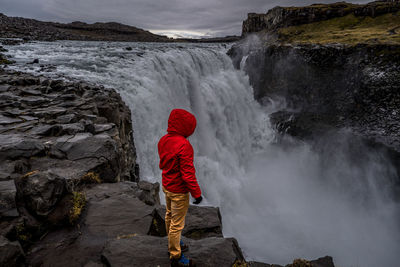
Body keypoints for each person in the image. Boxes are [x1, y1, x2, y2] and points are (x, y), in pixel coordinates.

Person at [158, 109, 203, 267]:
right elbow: (187, 174)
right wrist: (196, 194)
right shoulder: (184, 145)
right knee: (177, 223)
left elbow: (164, 163)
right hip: (179, 191)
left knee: (169, 215)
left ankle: (172, 241)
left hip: (167, 186)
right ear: (185, 128)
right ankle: (176, 257)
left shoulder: (163, 140)